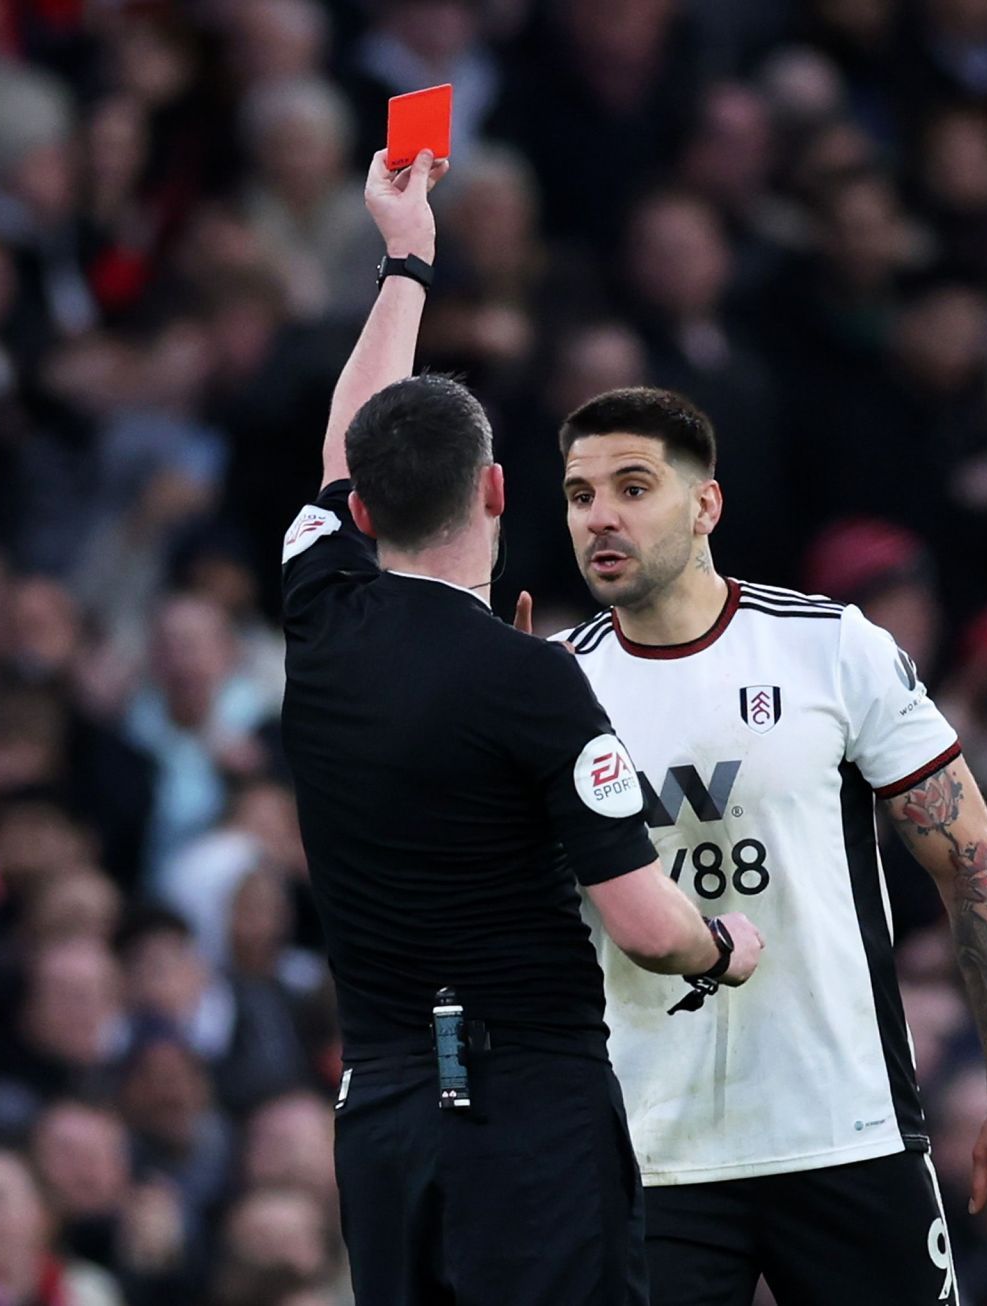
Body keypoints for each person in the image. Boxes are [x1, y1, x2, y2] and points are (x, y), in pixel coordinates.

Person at [277, 149, 763, 1305]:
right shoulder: (534, 682)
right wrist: (723, 944)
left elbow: (349, 446)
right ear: (497, 493)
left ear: (361, 505)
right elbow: (647, 927)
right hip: (529, 1116)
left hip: (388, 1111)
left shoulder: (320, 610)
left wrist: (406, 260)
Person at [543, 386, 987, 1303]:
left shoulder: (831, 649)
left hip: (847, 1129)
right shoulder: (551, 687)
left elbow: (974, 868)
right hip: (646, 1152)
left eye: (632, 487)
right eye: (582, 496)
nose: (602, 518)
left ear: (705, 505)